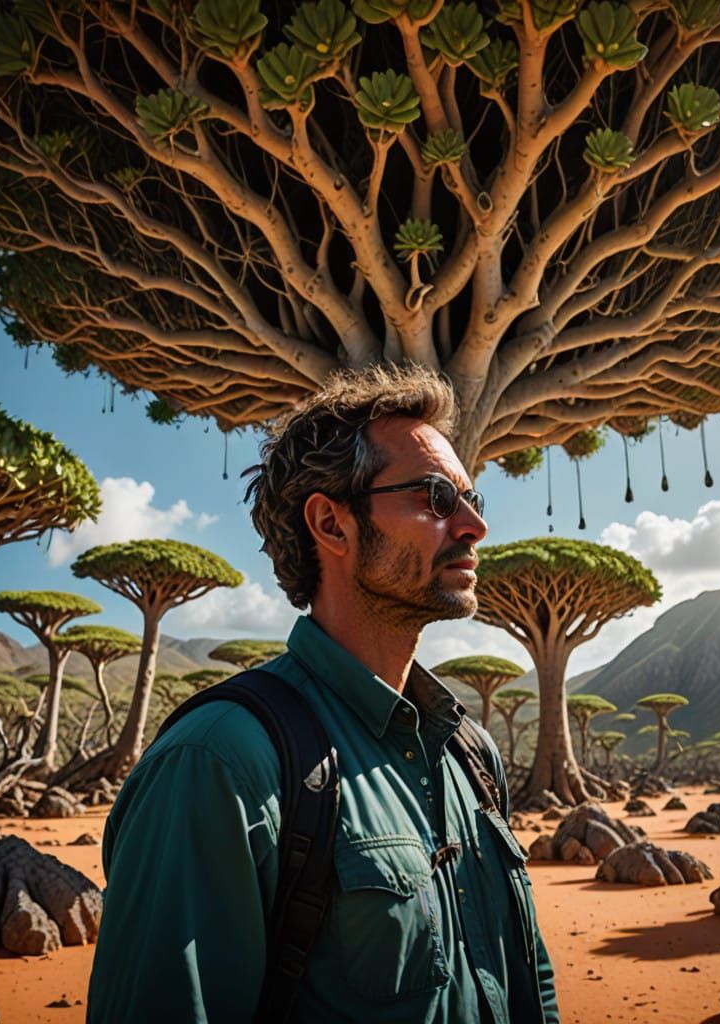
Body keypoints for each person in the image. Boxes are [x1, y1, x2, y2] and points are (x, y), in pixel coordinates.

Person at [87, 364, 560, 1023]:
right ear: (332, 525)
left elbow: (528, 982)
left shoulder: (470, 755)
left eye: (473, 499)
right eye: (434, 498)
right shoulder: (220, 765)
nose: (474, 526)